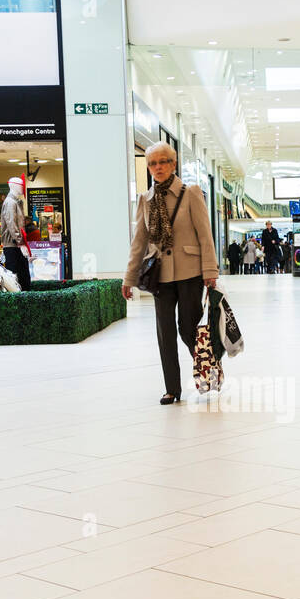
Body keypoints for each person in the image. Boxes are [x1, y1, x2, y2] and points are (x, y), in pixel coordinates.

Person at [121, 140, 219, 405]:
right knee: (165, 332)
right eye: (152, 163)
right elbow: (139, 242)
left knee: (188, 328)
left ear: (173, 164)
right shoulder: (145, 199)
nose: (158, 167)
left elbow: (205, 235)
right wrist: (129, 278)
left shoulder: (191, 193)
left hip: (190, 272)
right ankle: (172, 388)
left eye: (163, 161)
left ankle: (207, 372)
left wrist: (210, 270)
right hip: (160, 277)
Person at [0, 175, 31, 291]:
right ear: (15, 186)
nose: (23, 188)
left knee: (22, 276)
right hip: (13, 246)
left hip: (15, 244)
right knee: (17, 276)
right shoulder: (10, 203)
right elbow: (12, 224)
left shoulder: (14, 202)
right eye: (21, 186)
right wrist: (20, 242)